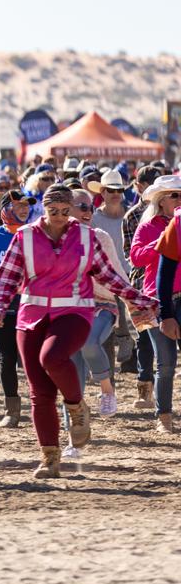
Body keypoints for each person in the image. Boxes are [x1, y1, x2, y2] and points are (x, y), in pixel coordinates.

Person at [0, 185, 156, 478]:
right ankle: (50, 458)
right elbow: (7, 277)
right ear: (44, 209)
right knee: (39, 393)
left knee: (51, 357)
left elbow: (109, 277)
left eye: (66, 212)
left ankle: (77, 407)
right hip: (31, 316)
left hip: (74, 313)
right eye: (54, 212)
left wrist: (138, 298)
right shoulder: (25, 237)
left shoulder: (87, 238)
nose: (59, 218)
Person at [128, 175, 181, 433]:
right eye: (175, 195)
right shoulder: (149, 226)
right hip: (156, 300)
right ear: (161, 201)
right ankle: (164, 417)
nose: (180, 200)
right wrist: (161, 244)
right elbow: (136, 258)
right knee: (166, 361)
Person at [0, 190, 35, 427]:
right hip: (3, 307)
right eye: (18, 205)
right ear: (4, 209)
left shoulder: (34, 234)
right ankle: (11, 409)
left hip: (30, 306)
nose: (24, 209)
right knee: (7, 358)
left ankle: (39, 405)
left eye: (26, 205)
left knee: (33, 358)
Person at [69, 189, 123, 417]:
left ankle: (106, 389)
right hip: (69, 308)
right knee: (71, 374)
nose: (88, 212)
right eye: (82, 206)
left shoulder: (100, 237)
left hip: (102, 303)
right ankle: (75, 432)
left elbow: (119, 274)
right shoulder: (54, 240)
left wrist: (136, 303)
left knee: (89, 342)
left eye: (90, 207)